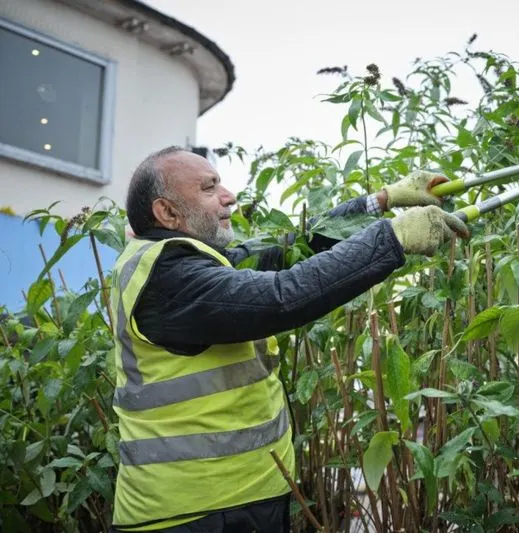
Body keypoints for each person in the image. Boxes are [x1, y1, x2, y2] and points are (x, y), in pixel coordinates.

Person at [108, 146, 469, 532]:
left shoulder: (191, 260)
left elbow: (289, 248)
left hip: (237, 498)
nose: (229, 195)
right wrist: (393, 238)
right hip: (190, 514)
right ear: (168, 212)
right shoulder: (168, 278)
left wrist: (381, 201)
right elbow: (282, 297)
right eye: (210, 188)